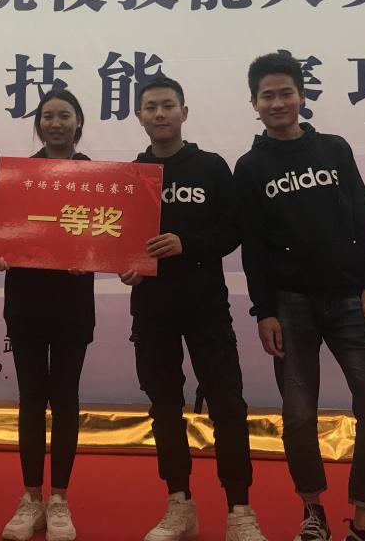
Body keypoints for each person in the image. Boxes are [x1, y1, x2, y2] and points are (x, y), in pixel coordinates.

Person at [234, 53, 365, 541]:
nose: (277, 103)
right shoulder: (250, 167)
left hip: (350, 298)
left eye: (286, 93)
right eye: (267, 96)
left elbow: (363, 218)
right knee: (299, 414)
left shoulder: (334, 149)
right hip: (290, 306)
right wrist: (264, 311)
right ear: (254, 104)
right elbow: (253, 248)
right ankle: (313, 510)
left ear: (302, 96)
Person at [120, 77, 267, 541]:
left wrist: (188, 244)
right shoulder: (130, 175)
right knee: (165, 408)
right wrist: (124, 266)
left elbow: (234, 230)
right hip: (151, 310)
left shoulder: (210, 167)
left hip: (206, 307)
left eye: (168, 105)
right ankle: (179, 504)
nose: (159, 114)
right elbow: (116, 237)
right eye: (150, 107)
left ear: (184, 112)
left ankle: (239, 510)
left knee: (228, 405)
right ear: (139, 117)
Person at [0, 89, 95, 541]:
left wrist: (92, 254)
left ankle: (59, 500)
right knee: (31, 399)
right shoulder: (18, 177)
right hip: (27, 303)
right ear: (39, 124)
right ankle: (31, 497)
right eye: (47, 116)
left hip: (73, 305)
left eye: (64, 115)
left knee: (65, 399)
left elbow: (109, 236)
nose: (55, 123)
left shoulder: (96, 178)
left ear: (78, 122)